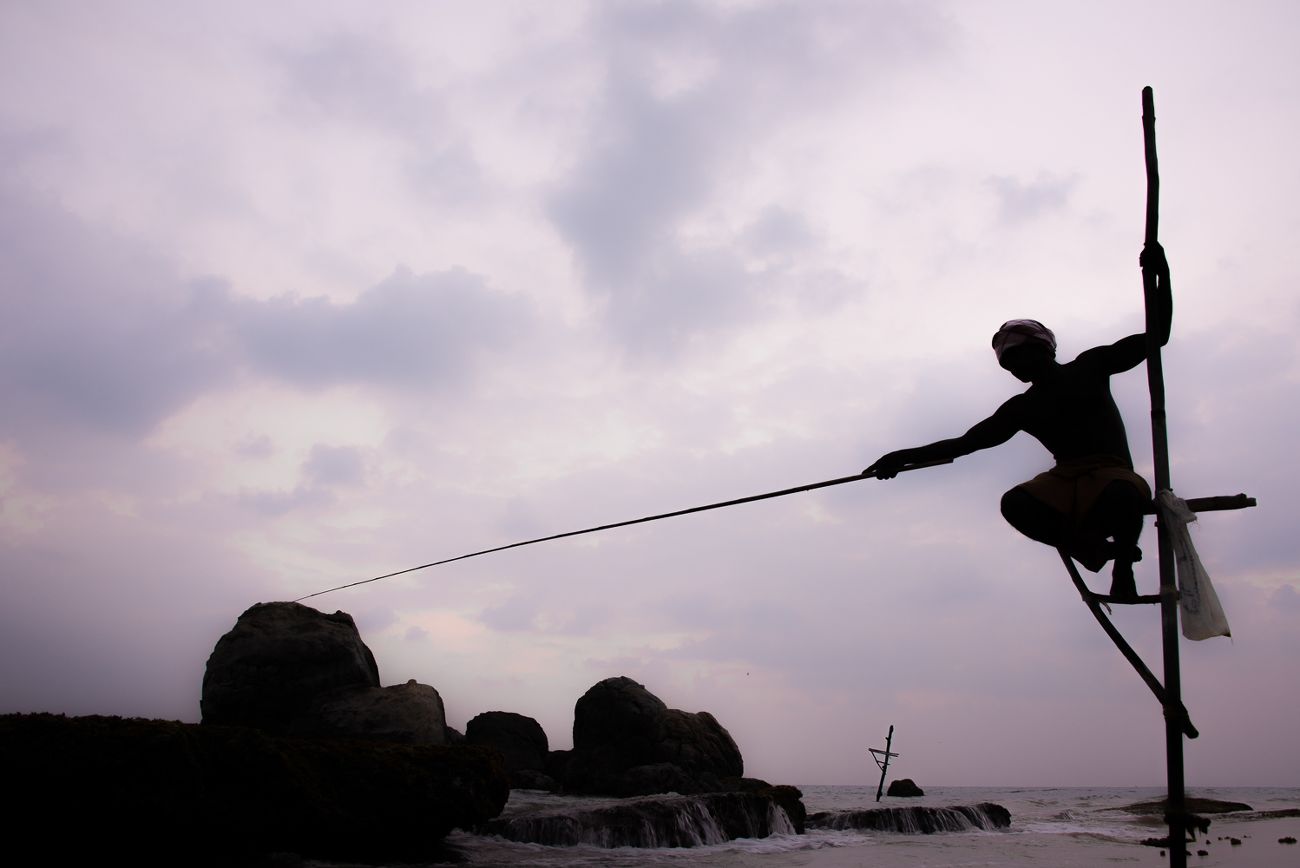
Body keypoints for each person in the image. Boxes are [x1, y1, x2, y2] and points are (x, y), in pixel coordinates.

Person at [864, 244, 1171, 600]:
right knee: (1016, 504)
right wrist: (900, 456)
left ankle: (1123, 567)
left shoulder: (1091, 367)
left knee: (1122, 493)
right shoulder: (1023, 407)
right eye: (1007, 362)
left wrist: (1161, 272)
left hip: (1112, 475)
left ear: (1043, 348)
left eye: (1018, 354)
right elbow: (965, 444)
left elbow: (1158, 334)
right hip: (1066, 479)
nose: (1013, 366)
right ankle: (1096, 550)